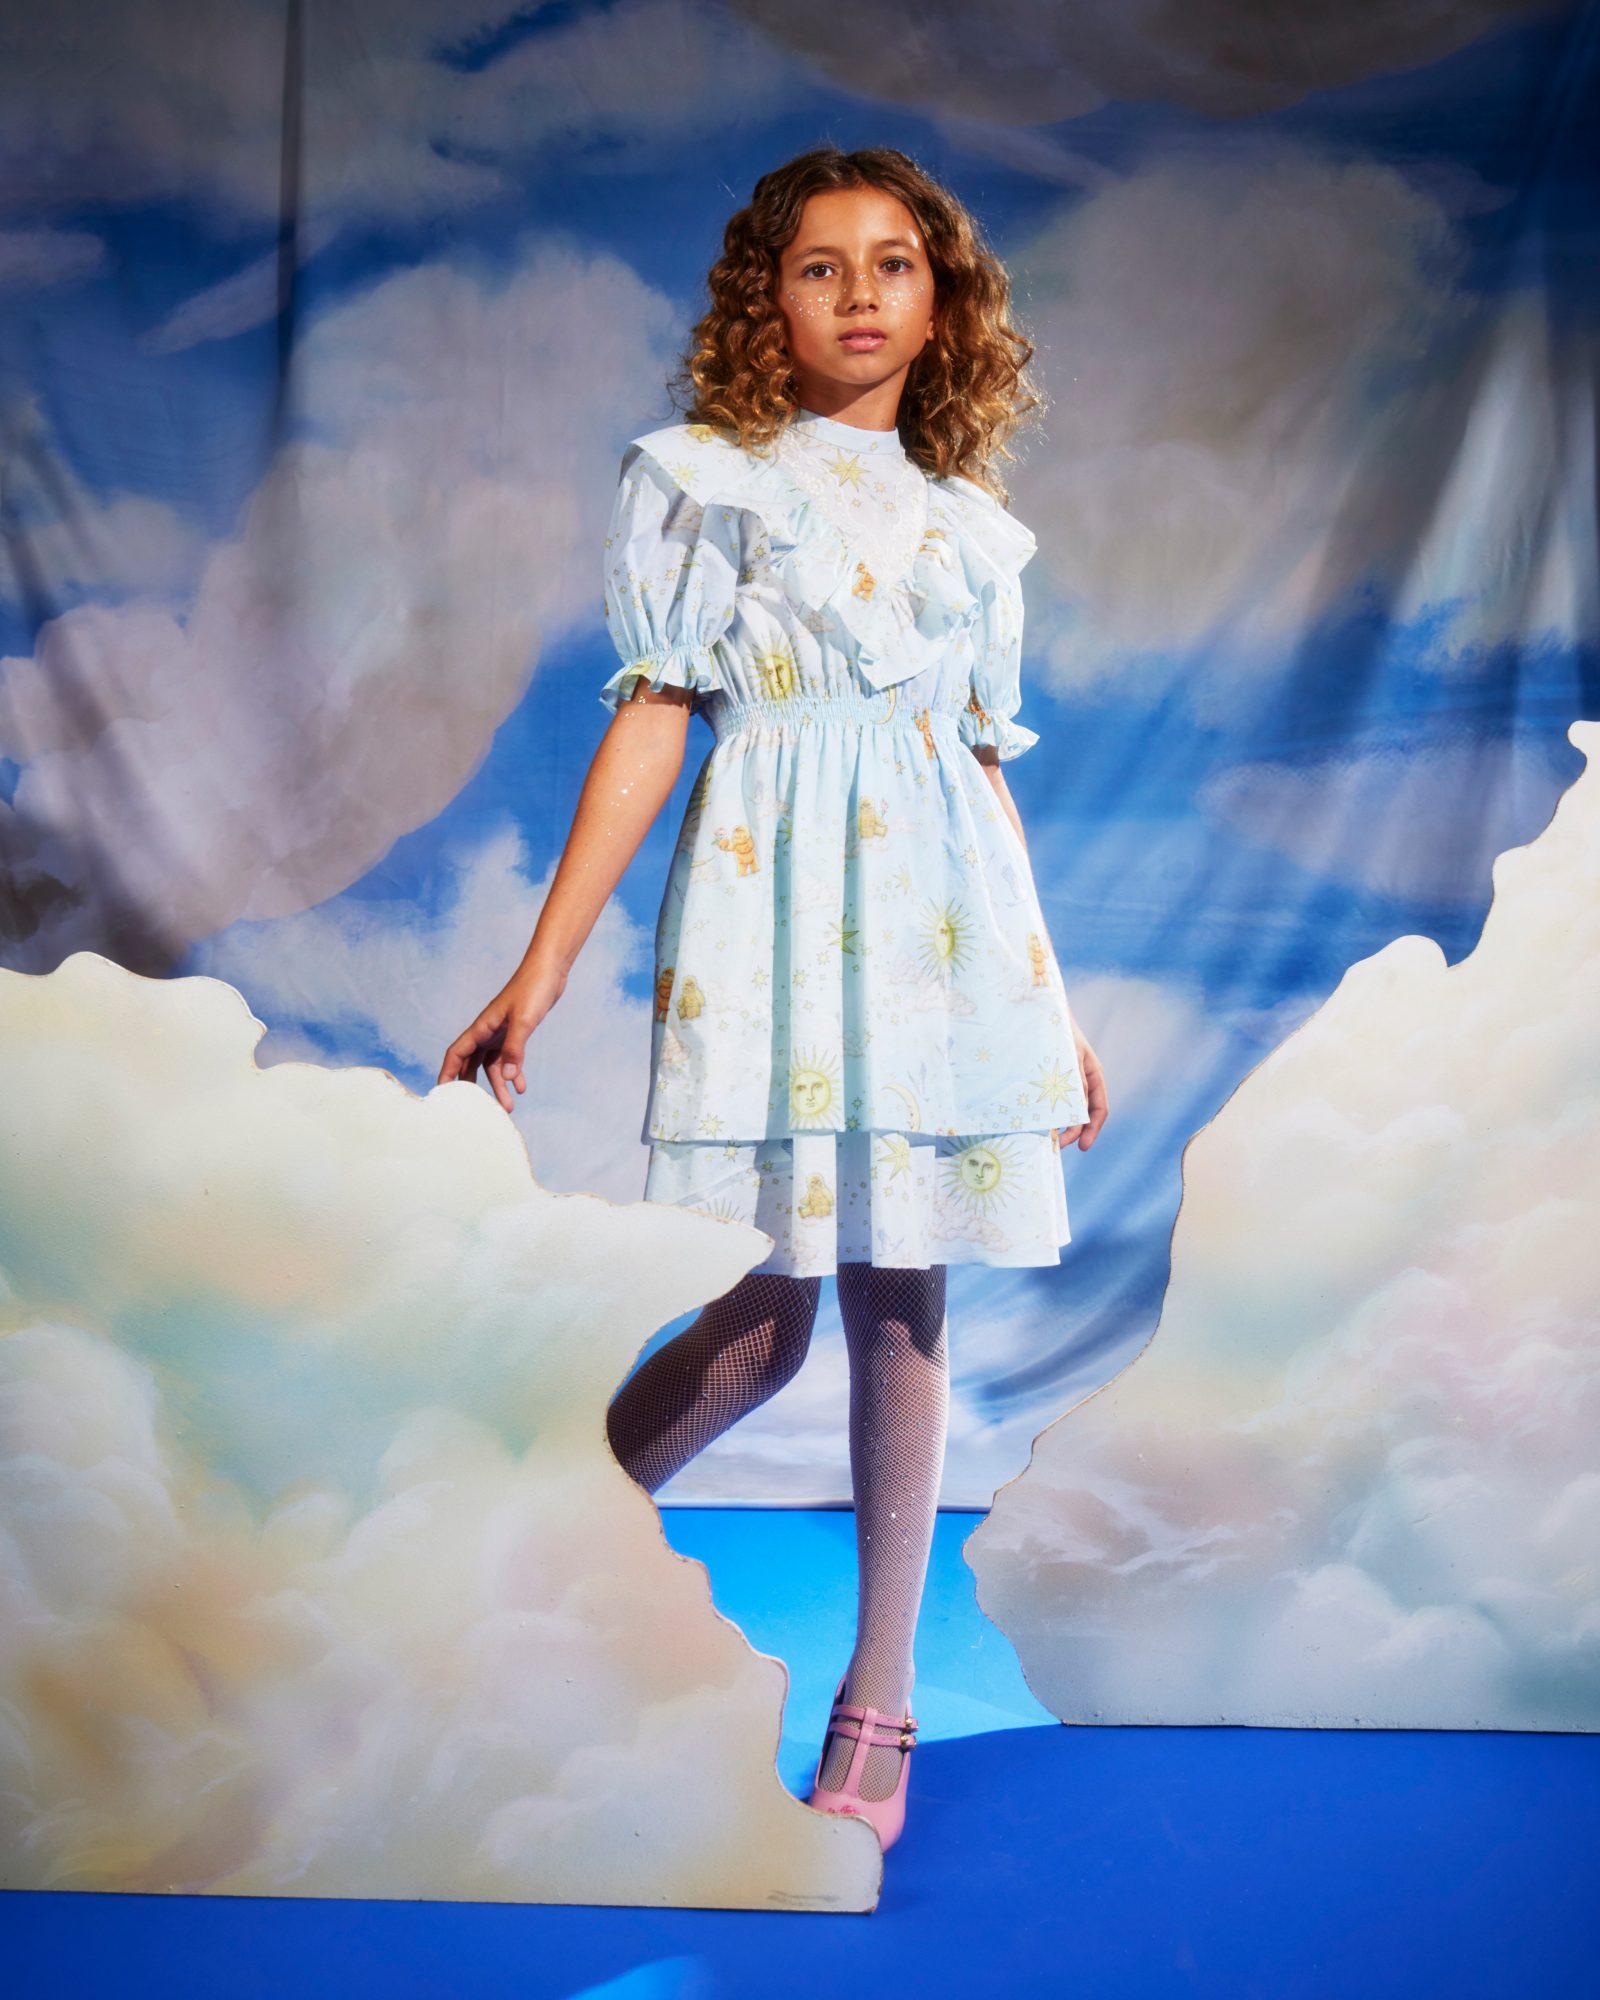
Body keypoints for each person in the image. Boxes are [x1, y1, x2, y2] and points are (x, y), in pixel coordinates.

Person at [439, 144, 1109, 1853]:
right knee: (768, 1303)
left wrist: (1051, 1004)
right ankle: (509, 1565)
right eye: (822, 266)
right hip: (778, 918)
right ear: (768, 301)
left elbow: (976, 767)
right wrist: (541, 966)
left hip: (945, 940)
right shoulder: (708, 483)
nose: (861, 293)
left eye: (895, 263)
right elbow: (655, 716)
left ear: (941, 305)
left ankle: (879, 1697)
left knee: (905, 1299)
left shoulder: (970, 531)